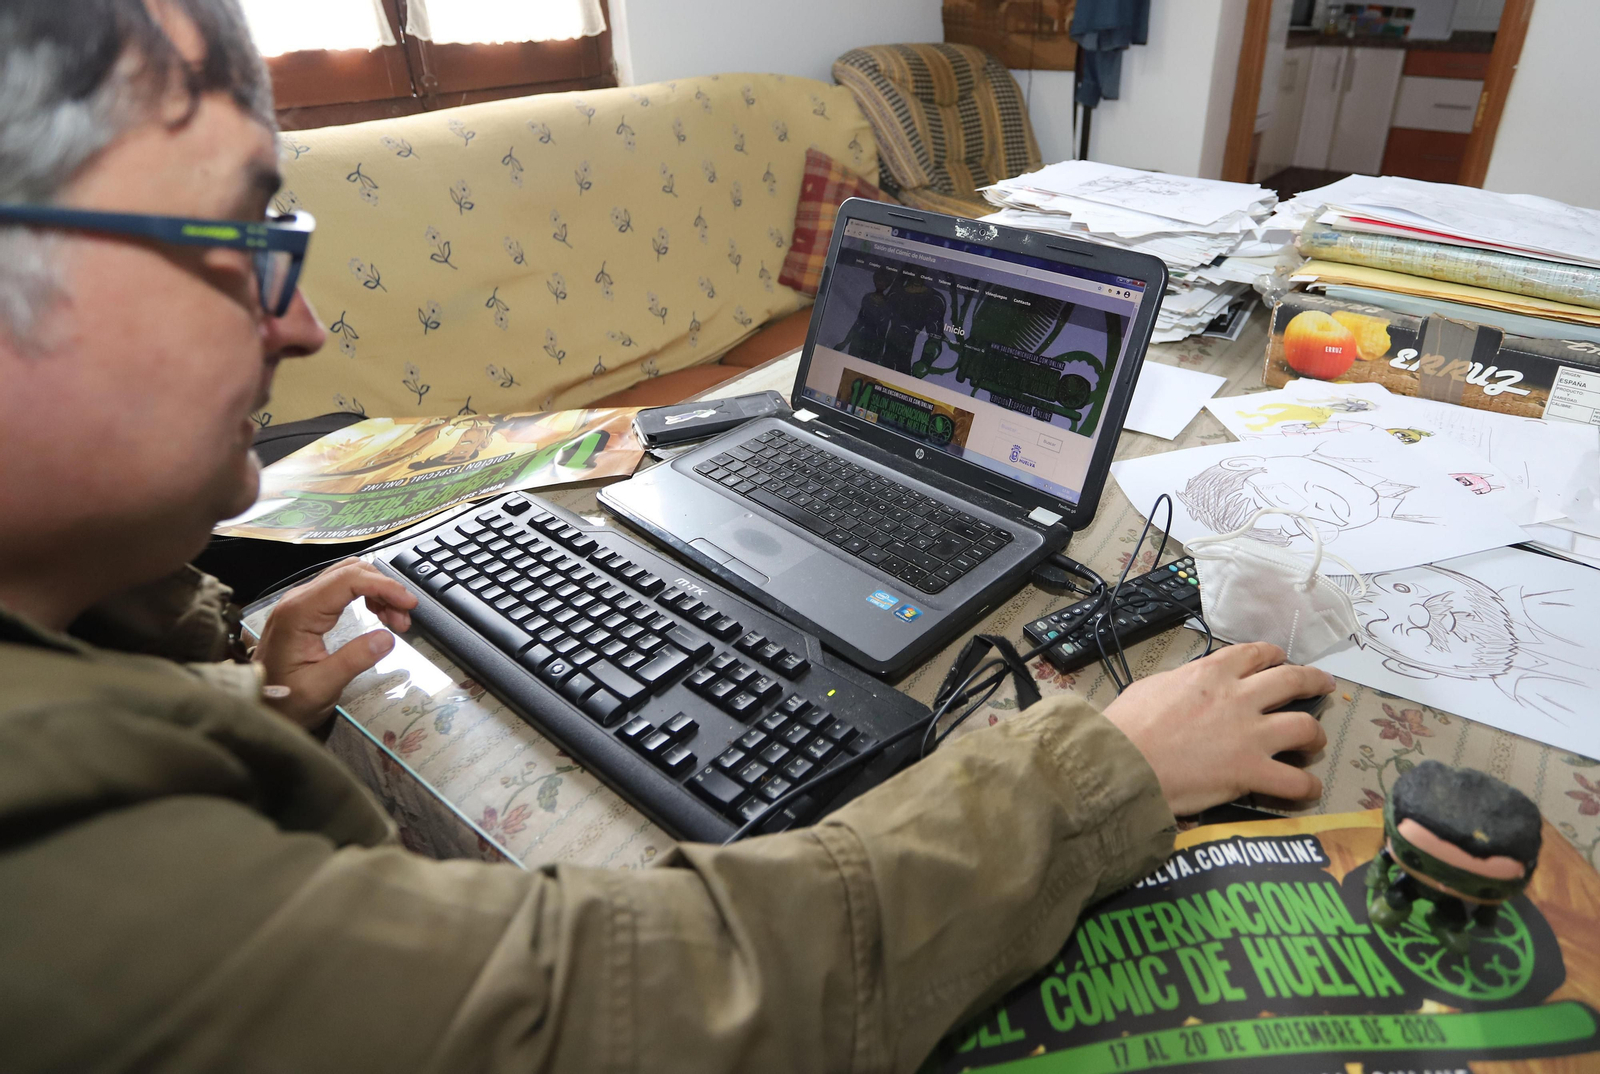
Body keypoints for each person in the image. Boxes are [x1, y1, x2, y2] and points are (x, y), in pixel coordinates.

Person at [0, 2, 1333, 1070]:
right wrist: (1095, 768)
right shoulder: (57, 846)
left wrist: (238, 694)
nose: (298, 327)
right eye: (234, 241)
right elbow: (634, 1004)